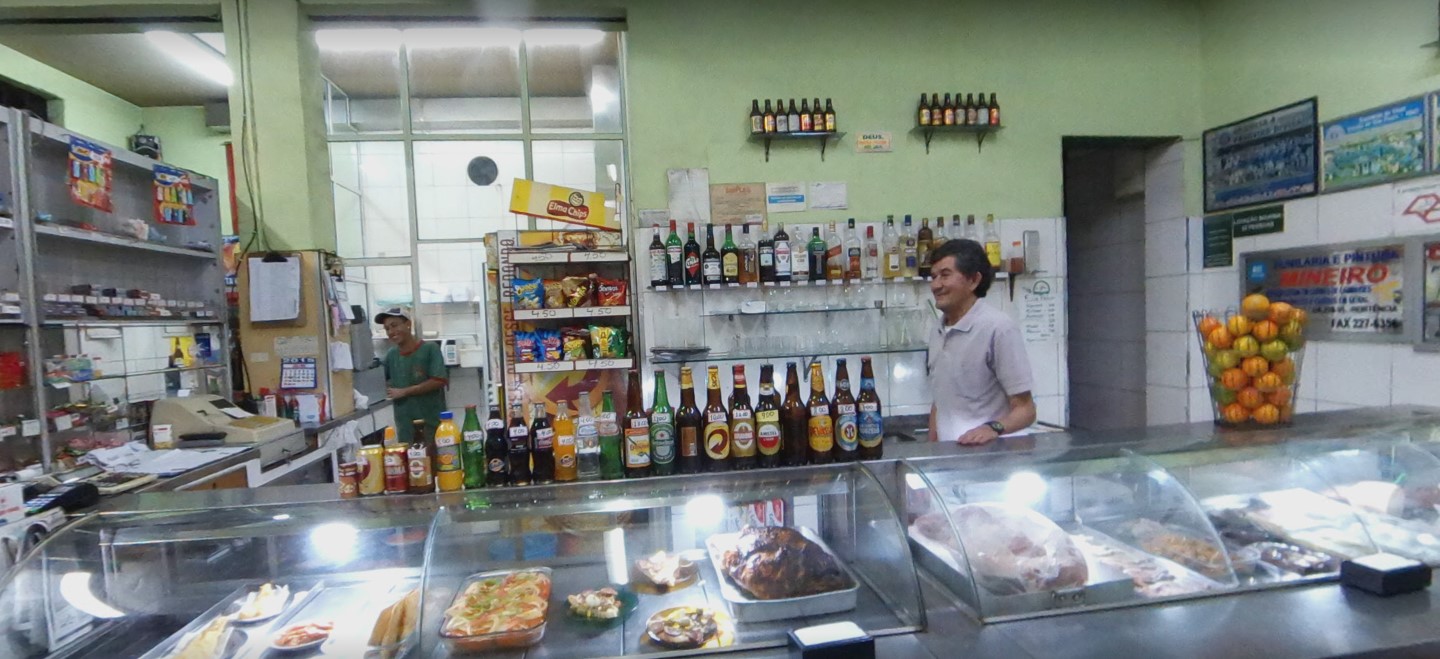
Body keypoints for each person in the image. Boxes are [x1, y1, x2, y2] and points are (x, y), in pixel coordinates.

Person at [926, 239, 1036, 445]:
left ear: (974, 280)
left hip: (990, 462)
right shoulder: (937, 329)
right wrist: (932, 449)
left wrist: (991, 428)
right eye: (933, 277)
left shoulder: (998, 327)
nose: (935, 285)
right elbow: (940, 400)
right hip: (950, 459)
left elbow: (1026, 410)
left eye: (945, 275)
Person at [376, 306, 448, 443]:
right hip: (405, 429)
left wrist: (405, 391)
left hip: (431, 425)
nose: (391, 332)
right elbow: (379, 380)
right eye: (387, 329)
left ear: (408, 324)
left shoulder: (429, 349)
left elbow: (439, 380)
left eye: (394, 325)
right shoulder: (392, 355)